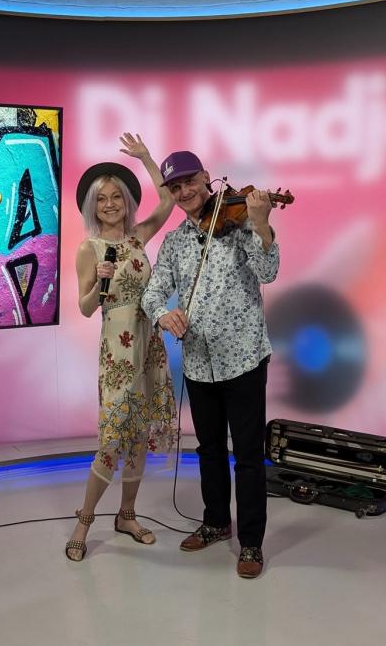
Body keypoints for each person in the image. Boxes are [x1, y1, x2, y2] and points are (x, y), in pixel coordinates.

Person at [141, 149, 279, 579]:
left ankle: (251, 542)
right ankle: (217, 522)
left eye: (189, 182)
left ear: (205, 177)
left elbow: (268, 271)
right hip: (199, 364)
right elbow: (152, 292)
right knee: (210, 450)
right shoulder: (174, 242)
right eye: (175, 187)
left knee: (249, 455)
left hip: (244, 359)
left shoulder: (240, 225)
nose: (184, 192)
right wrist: (163, 315)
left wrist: (261, 224)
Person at [64, 133, 178, 562]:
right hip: (117, 350)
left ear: (127, 201)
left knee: (139, 435)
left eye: (116, 196)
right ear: (92, 206)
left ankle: (127, 515)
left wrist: (147, 157)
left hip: (149, 343)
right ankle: (84, 520)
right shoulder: (89, 249)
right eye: (101, 199)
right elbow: (85, 308)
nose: (110, 204)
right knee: (113, 436)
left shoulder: (138, 236)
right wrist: (100, 282)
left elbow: (167, 201)